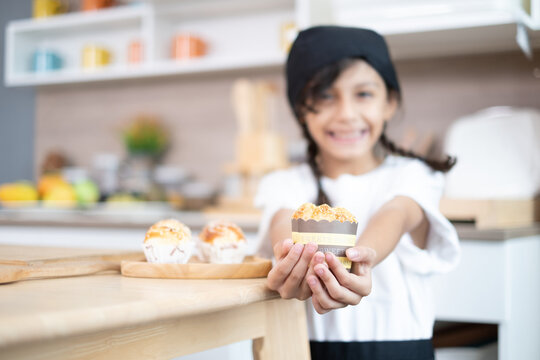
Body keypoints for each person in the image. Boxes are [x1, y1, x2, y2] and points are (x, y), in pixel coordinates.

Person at [254, 26, 461, 360]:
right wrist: (291, 259)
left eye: (363, 94)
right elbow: (285, 224)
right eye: (324, 96)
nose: (347, 114)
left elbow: (395, 214)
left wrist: (361, 259)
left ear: (390, 102)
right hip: (301, 350)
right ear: (301, 110)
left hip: (400, 352)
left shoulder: (413, 176)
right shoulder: (284, 183)